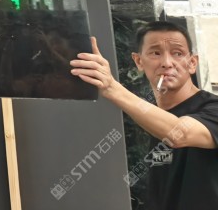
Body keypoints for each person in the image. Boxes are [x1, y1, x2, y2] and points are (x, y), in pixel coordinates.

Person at [70, 21, 218, 209]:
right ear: (139, 61)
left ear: (192, 63)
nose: (167, 63)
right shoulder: (148, 117)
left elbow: (180, 133)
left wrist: (112, 87)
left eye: (178, 53)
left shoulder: (212, 108)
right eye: (155, 53)